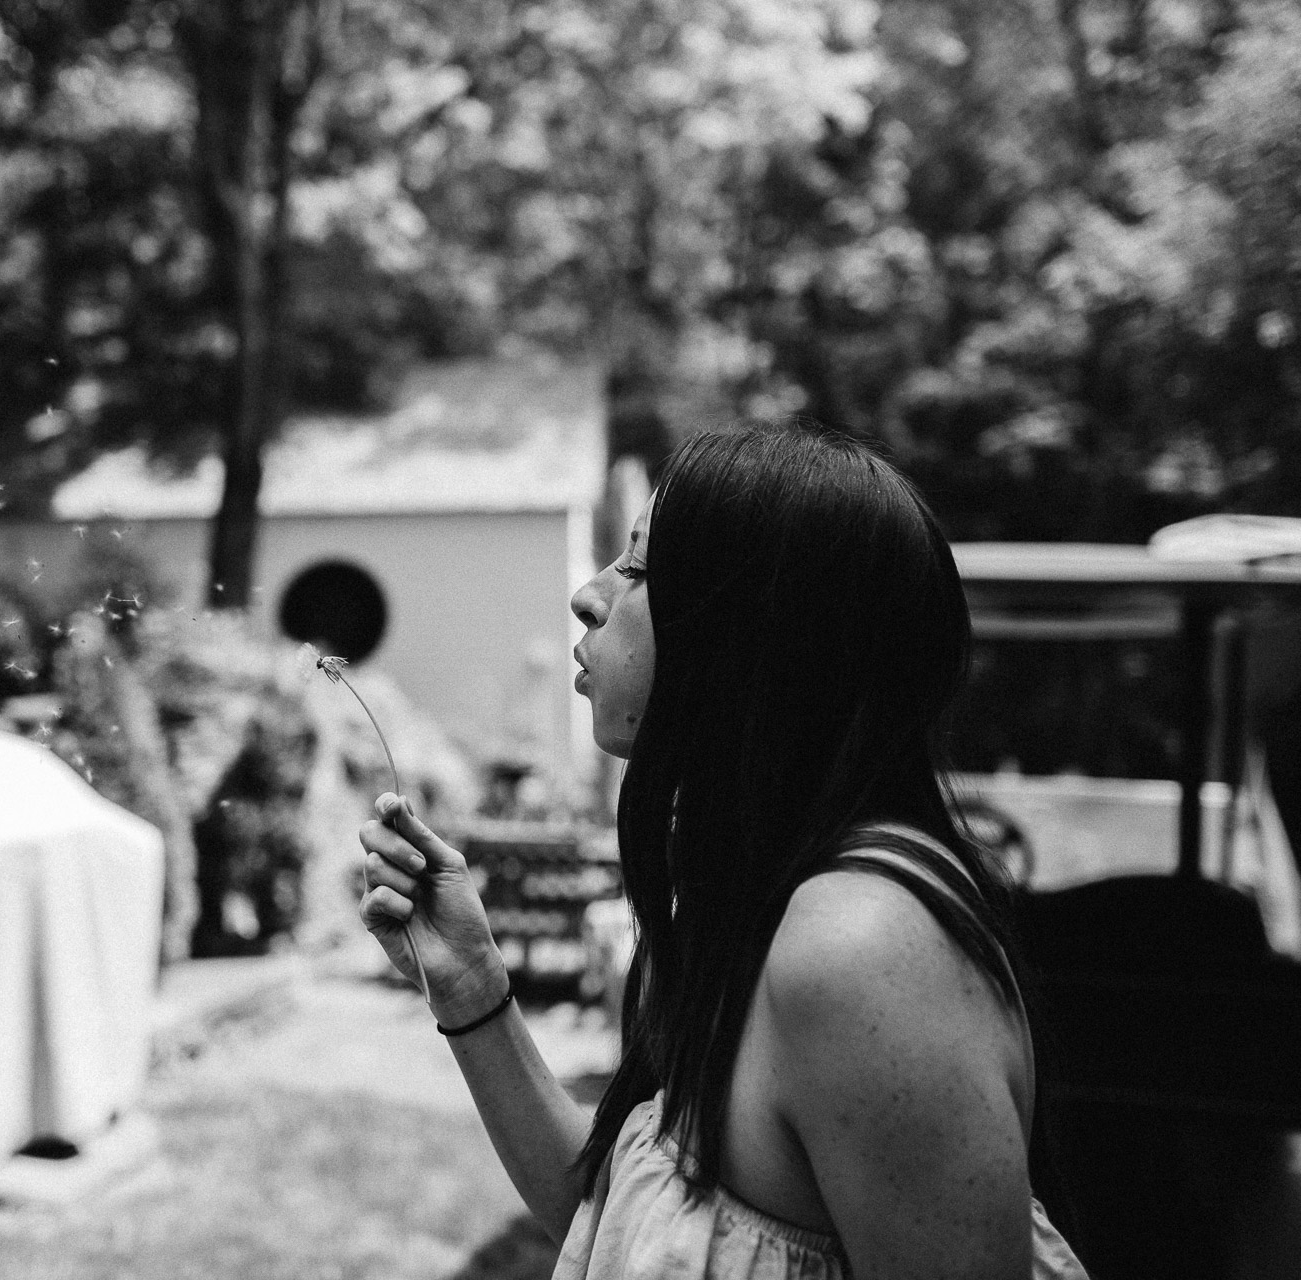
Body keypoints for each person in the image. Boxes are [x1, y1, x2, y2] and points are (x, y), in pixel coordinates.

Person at [359, 426, 1088, 1278]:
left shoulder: (861, 952)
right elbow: (622, 1224)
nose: (589, 597)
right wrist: (472, 987)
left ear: (758, 638)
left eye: (638, 571)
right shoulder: (740, 905)